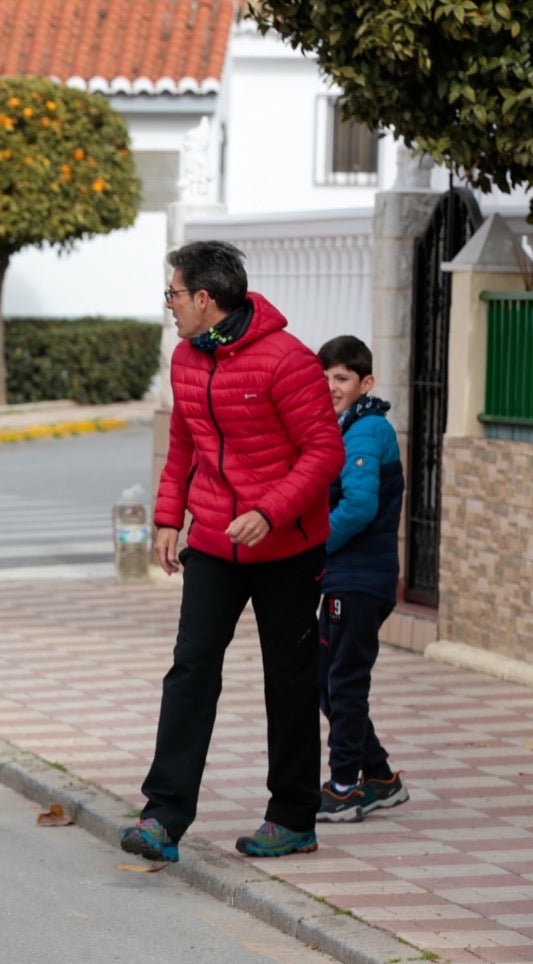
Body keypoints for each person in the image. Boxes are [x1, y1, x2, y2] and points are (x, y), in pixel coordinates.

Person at [120, 240, 344, 866]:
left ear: (204, 299)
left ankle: (294, 816)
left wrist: (271, 510)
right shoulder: (186, 358)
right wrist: (169, 519)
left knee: (289, 680)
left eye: (173, 293)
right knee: (190, 669)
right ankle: (163, 816)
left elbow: (323, 452)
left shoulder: (287, 361)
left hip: (287, 546)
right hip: (216, 543)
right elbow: (184, 444)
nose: (168, 304)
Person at [316, 335, 410, 823]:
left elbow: (358, 506)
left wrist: (313, 544)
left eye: (341, 378)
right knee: (326, 682)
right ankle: (380, 779)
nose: (330, 386)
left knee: (344, 683)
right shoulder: (344, 426)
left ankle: (344, 787)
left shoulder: (367, 431)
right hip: (344, 579)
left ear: (365, 382)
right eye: (325, 376)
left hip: (359, 581)